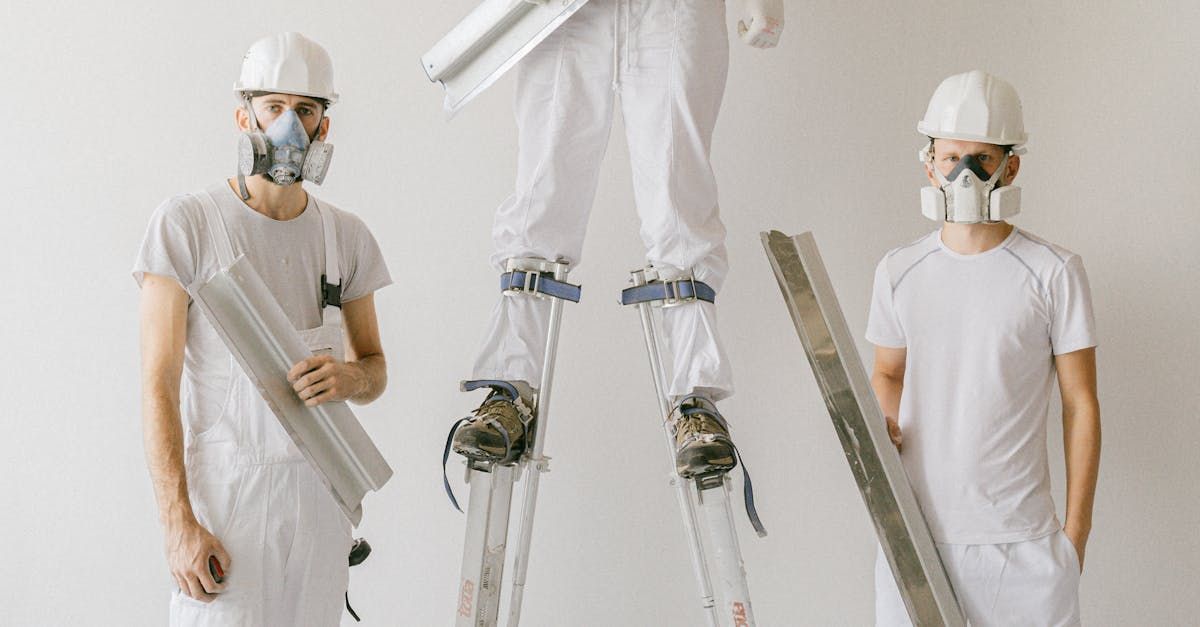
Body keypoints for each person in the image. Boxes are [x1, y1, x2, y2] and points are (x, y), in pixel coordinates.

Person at [450, 0, 785, 480]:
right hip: (564, 10)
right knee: (541, 194)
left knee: (677, 194)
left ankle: (695, 399)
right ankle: (510, 389)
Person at [134, 32, 392, 626]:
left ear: (324, 125)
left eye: (305, 110)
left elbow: (376, 369)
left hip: (322, 507)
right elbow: (158, 385)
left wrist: (350, 377)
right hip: (227, 513)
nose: (290, 128)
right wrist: (177, 525)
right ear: (243, 115)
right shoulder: (188, 225)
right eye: (274, 107)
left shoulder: (344, 237)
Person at [868, 70, 1101, 626]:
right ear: (929, 162)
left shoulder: (1053, 272)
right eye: (951, 158)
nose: (964, 174)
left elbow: (1081, 403)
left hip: (1023, 544)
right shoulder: (900, 271)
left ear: (1010, 166)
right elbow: (887, 373)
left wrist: (1074, 538)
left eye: (981, 158)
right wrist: (885, 417)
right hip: (917, 535)